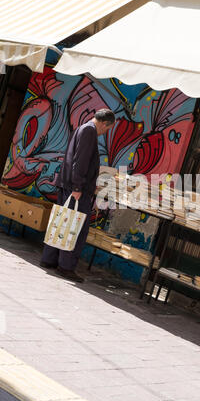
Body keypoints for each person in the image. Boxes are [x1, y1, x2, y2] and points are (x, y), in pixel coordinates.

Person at [40, 109, 116, 283]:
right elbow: (80, 161)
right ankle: (65, 266)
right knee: (76, 227)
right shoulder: (89, 131)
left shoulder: (82, 128)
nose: (106, 132)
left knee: (62, 221)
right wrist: (77, 186)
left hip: (69, 185)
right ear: (104, 123)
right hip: (75, 188)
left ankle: (49, 258)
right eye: (108, 128)